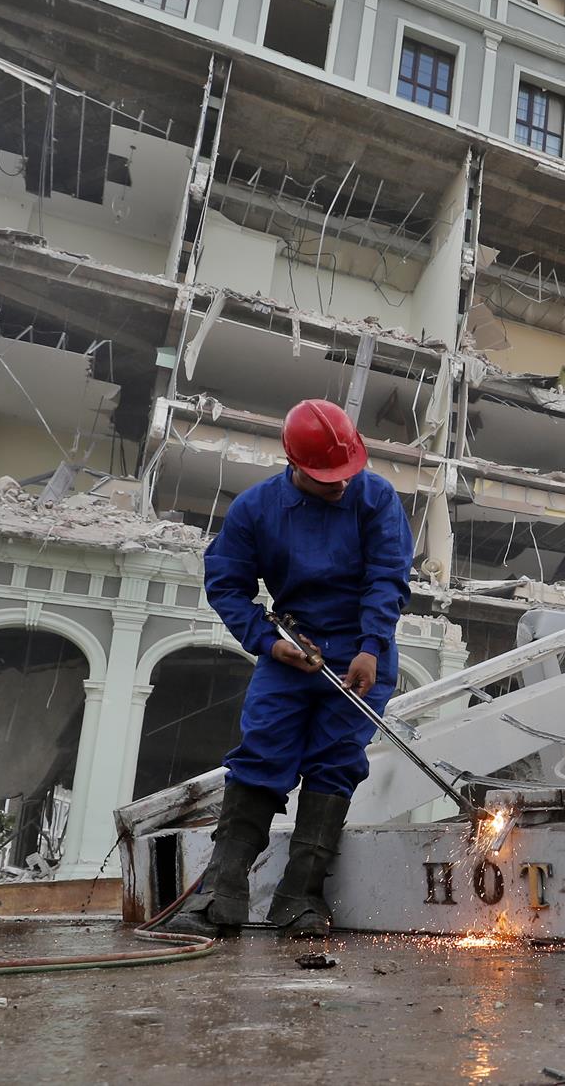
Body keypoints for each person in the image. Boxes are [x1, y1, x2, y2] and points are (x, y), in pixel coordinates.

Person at [164, 399, 412, 939]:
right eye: (328, 477)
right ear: (295, 465)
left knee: (335, 763)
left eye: (347, 472)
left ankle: (299, 897)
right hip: (291, 649)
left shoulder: (376, 498)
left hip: (362, 653)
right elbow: (226, 584)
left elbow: (387, 577)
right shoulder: (256, 511)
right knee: (261, 755)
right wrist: (266, 642)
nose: (341, 484)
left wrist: (372, 645)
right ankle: (220, 895)